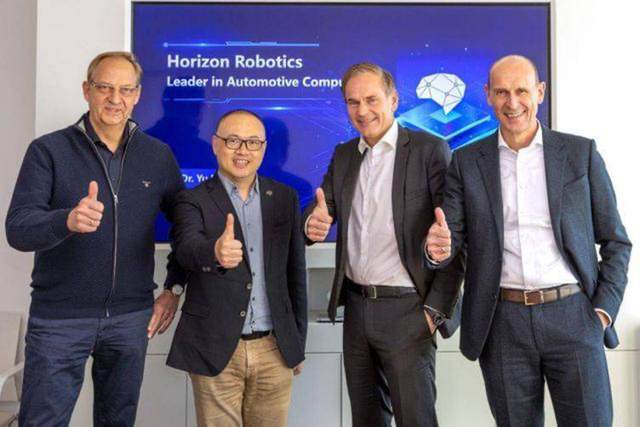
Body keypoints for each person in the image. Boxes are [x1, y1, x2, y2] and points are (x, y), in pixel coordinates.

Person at [426, 55, 632, 426]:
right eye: (502, 92)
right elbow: (449, 239)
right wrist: (436, 248)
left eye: (521, 91)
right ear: (488, 95)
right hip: (503, 322)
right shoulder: (466, 162)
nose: (512, 102)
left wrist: (602, 311)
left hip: (573, 315)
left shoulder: (580, 154)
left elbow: (616, 242)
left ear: (540, 92)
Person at [5, 51, 186, 426]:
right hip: (59, 320)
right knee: (41, 422)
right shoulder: (48, 150)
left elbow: (187, 228)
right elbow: (18, 229)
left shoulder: (158, 156)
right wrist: (66, 220)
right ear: (87, 90)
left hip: (130, 319)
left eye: (125, 89)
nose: (115, 99)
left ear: (137, 95)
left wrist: (174, 286)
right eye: (105, 87)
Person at [303, 63, 465, 427]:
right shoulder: (344, 154)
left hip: (409, 311)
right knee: (367, 419)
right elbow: (320, 207)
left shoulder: (429, 150)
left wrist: (434, 311)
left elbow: (453, 236)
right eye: (353, 102)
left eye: (372, 99)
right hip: (356, 310)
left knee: (415, 420)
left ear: (393, 100)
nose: (362, 111)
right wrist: (310, 223)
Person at [167, 109, 307, 427]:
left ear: (263, 148)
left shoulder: (284, 197)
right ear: (215, 144)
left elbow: (295, 275)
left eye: (252, 142)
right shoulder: (191, 199)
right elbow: (186, 250)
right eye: (232, 140)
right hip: (215, 348)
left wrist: (296, 344)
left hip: (275, 348)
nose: (243, 150)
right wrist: (214, 252)